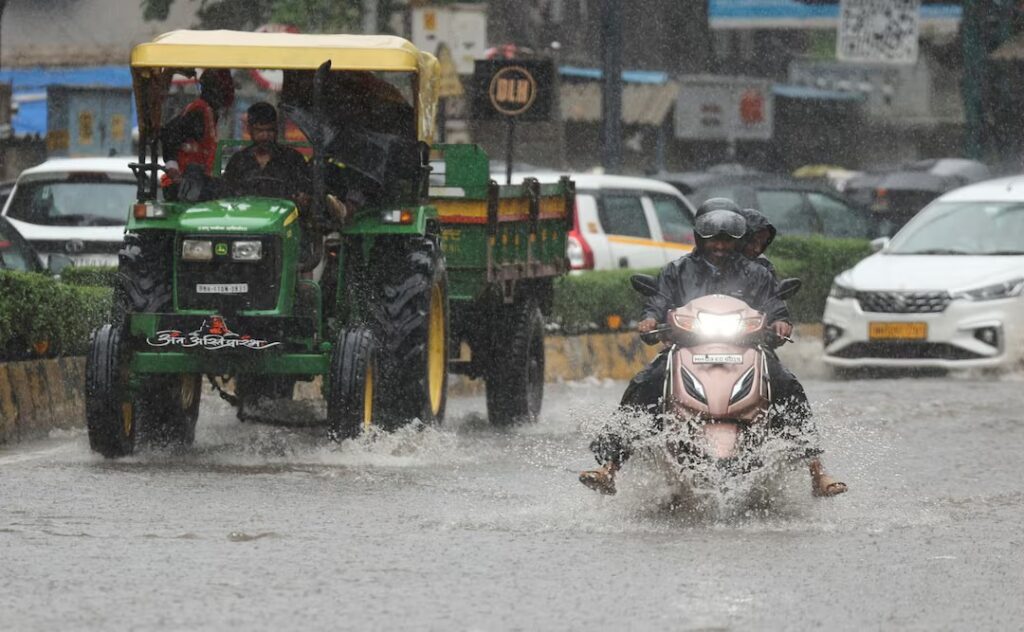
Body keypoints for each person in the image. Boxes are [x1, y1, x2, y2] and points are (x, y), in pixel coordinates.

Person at [579, 206, 847, 498]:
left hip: (748, 347)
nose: (719, 246)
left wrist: (781, 322)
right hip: (687, 346)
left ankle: (817, 472)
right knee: (646, 383)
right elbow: (659, 300)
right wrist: (650, 319)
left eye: (727, 240)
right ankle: (610, 466)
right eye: (713, 240)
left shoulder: (757, 273)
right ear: (699, 238)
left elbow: (775, 305)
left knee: (787, 384)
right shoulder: (678, 270)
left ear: (737, 241)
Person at [222, 102, 312, 201]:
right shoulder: (238, 161)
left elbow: (305, 193)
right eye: (260, 131)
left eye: (270, 130)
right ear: (249, 130)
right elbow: (226, 194)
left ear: (277, 129)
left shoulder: (293, 159)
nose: (265, 136)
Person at [160, 69, 235, 183]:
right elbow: (170, 132)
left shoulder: (209, 113)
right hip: (184, 187)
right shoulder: (198, 112)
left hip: (196, 183)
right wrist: (173, 169)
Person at [738, 207, 778, 277]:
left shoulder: (764, 266)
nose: (758, 249)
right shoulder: (719, 259)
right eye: (753, 242)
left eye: (763, 243)